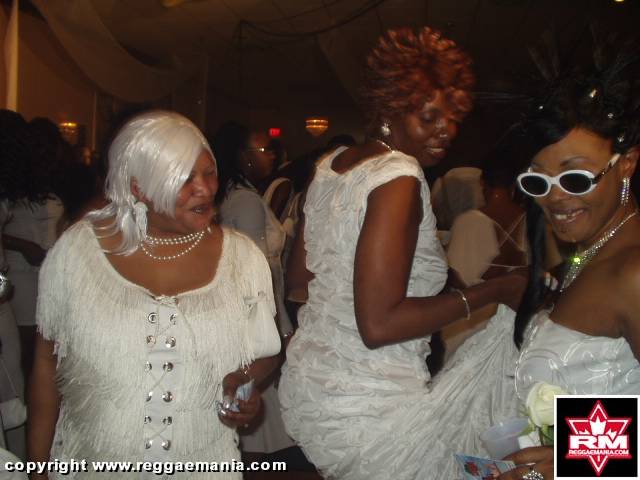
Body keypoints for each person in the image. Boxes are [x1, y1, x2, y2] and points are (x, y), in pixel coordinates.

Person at [278, 27, 527, 480]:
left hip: (313, 391)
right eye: (430, 118)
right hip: (371, 404)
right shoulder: (398, 176)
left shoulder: (330, 165)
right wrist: (495, 291)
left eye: (453, 118)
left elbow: (298, 283)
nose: (446, 132)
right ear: (389, 108)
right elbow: (379, 325)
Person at [28, 111, 281, 479]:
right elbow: (46, 364)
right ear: (138, 187)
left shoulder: (242, 259)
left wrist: (244, 382)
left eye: (209, 173)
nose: (204, 189)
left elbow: (266, 353)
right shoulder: (79, 253)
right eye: (184, 179)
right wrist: (36, 468)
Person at [496, 50, 640, 480]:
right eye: (538, 181)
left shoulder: (634, 273)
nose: (555, 197)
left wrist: (572, 458)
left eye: (575, 178)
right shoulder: (588, 254)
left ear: (627, 163)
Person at [213, 122, 295, 458]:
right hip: (254, 311)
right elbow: (257, 274)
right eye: (264, 150)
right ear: (244, 157)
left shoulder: (236, 195)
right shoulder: (245, 201)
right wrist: (281, 325)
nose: (272, 156)